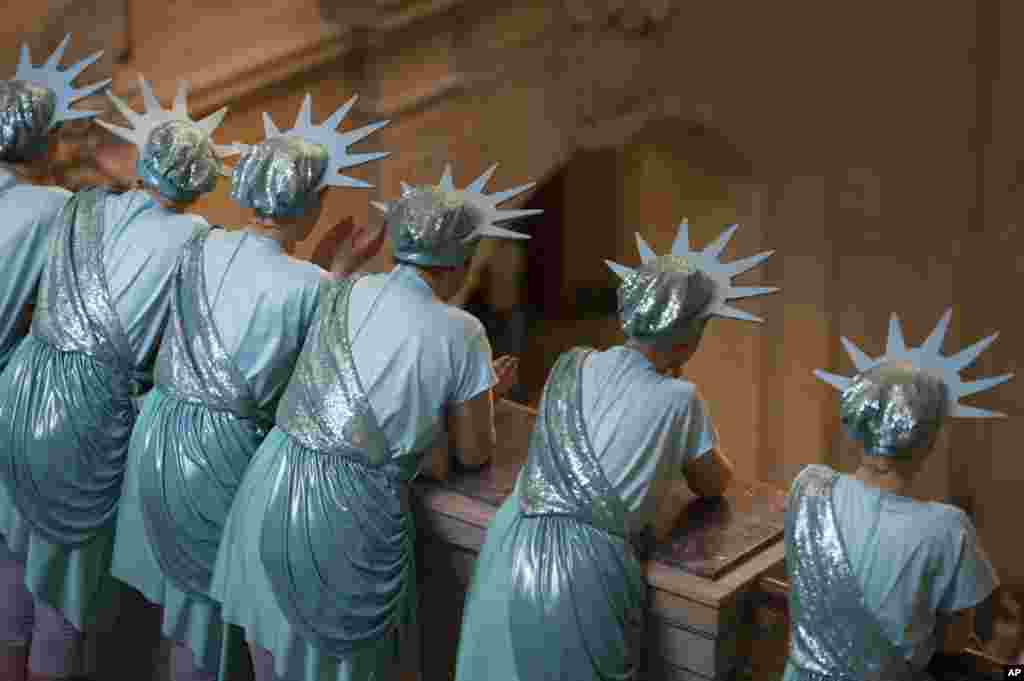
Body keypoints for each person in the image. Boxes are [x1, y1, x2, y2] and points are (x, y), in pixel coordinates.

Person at [209, 162, 534, 681]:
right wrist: (484, 397)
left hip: (270, 483)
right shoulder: (463, 332)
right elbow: (474, 454)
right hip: (344, 512)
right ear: (460, 261)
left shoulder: (344, 290)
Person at [109, 92, 391, 681]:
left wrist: (327, 272)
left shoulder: (202, 242)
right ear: (310, 206)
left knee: (167, 618)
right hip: (215, 454)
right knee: (202, 630)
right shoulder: (312, 286)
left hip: (157, 429)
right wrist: (336, 274)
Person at [455, 220, 777, 681]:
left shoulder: (572, 362)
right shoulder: (678, 399)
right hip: (583, 565)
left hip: (513, 536)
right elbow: (713, 481)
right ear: (690, 333)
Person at [0, 73, 232, 681]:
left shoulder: (84, 205)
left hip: (24, 386)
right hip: (85, 413)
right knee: (63, 600)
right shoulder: (196, 240)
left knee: (10, 578)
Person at [785, 309, 1010, 680]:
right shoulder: (946, 529)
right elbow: (967, 640)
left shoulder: (808, 488)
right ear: (929, 439)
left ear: (856, 424)